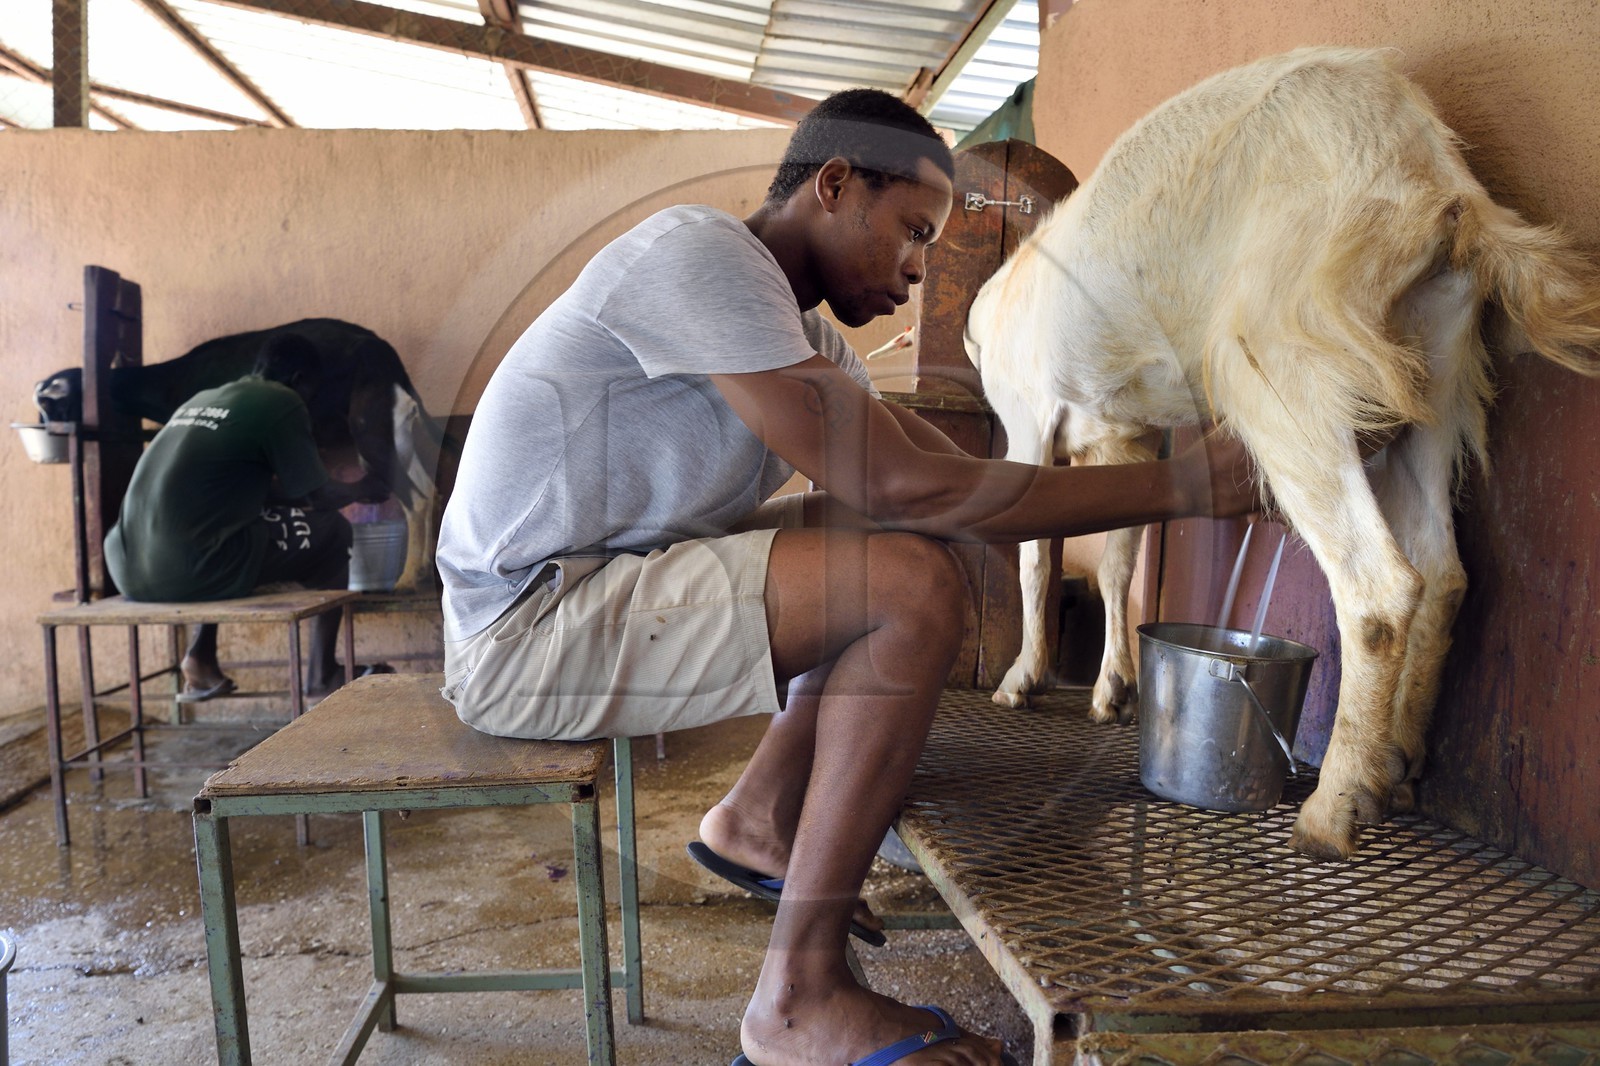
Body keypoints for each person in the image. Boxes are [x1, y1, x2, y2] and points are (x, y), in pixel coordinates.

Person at [437, 89, 1258, 1066]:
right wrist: (1183, 484)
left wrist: (1163, 482)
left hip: (601, 590)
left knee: (906, 536)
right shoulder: (697, 254)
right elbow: (916, 486)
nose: (918, 270)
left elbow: (933, 487)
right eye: (912, 230)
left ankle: (757, 817)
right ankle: (794, 1001)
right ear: (833, 185)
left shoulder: (806, 340)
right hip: (526, 632)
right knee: (905, 585)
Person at [105, 335, 385, 701]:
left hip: (127, 568)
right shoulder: (282, 400)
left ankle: (201, 659)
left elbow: (263, 493)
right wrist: (366, 487)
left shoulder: (205, 399)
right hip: (187, 567)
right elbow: (318, 497)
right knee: (333, 531)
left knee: (225, 525)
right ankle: (323, 674)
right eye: (312, 392)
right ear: (300, 379)